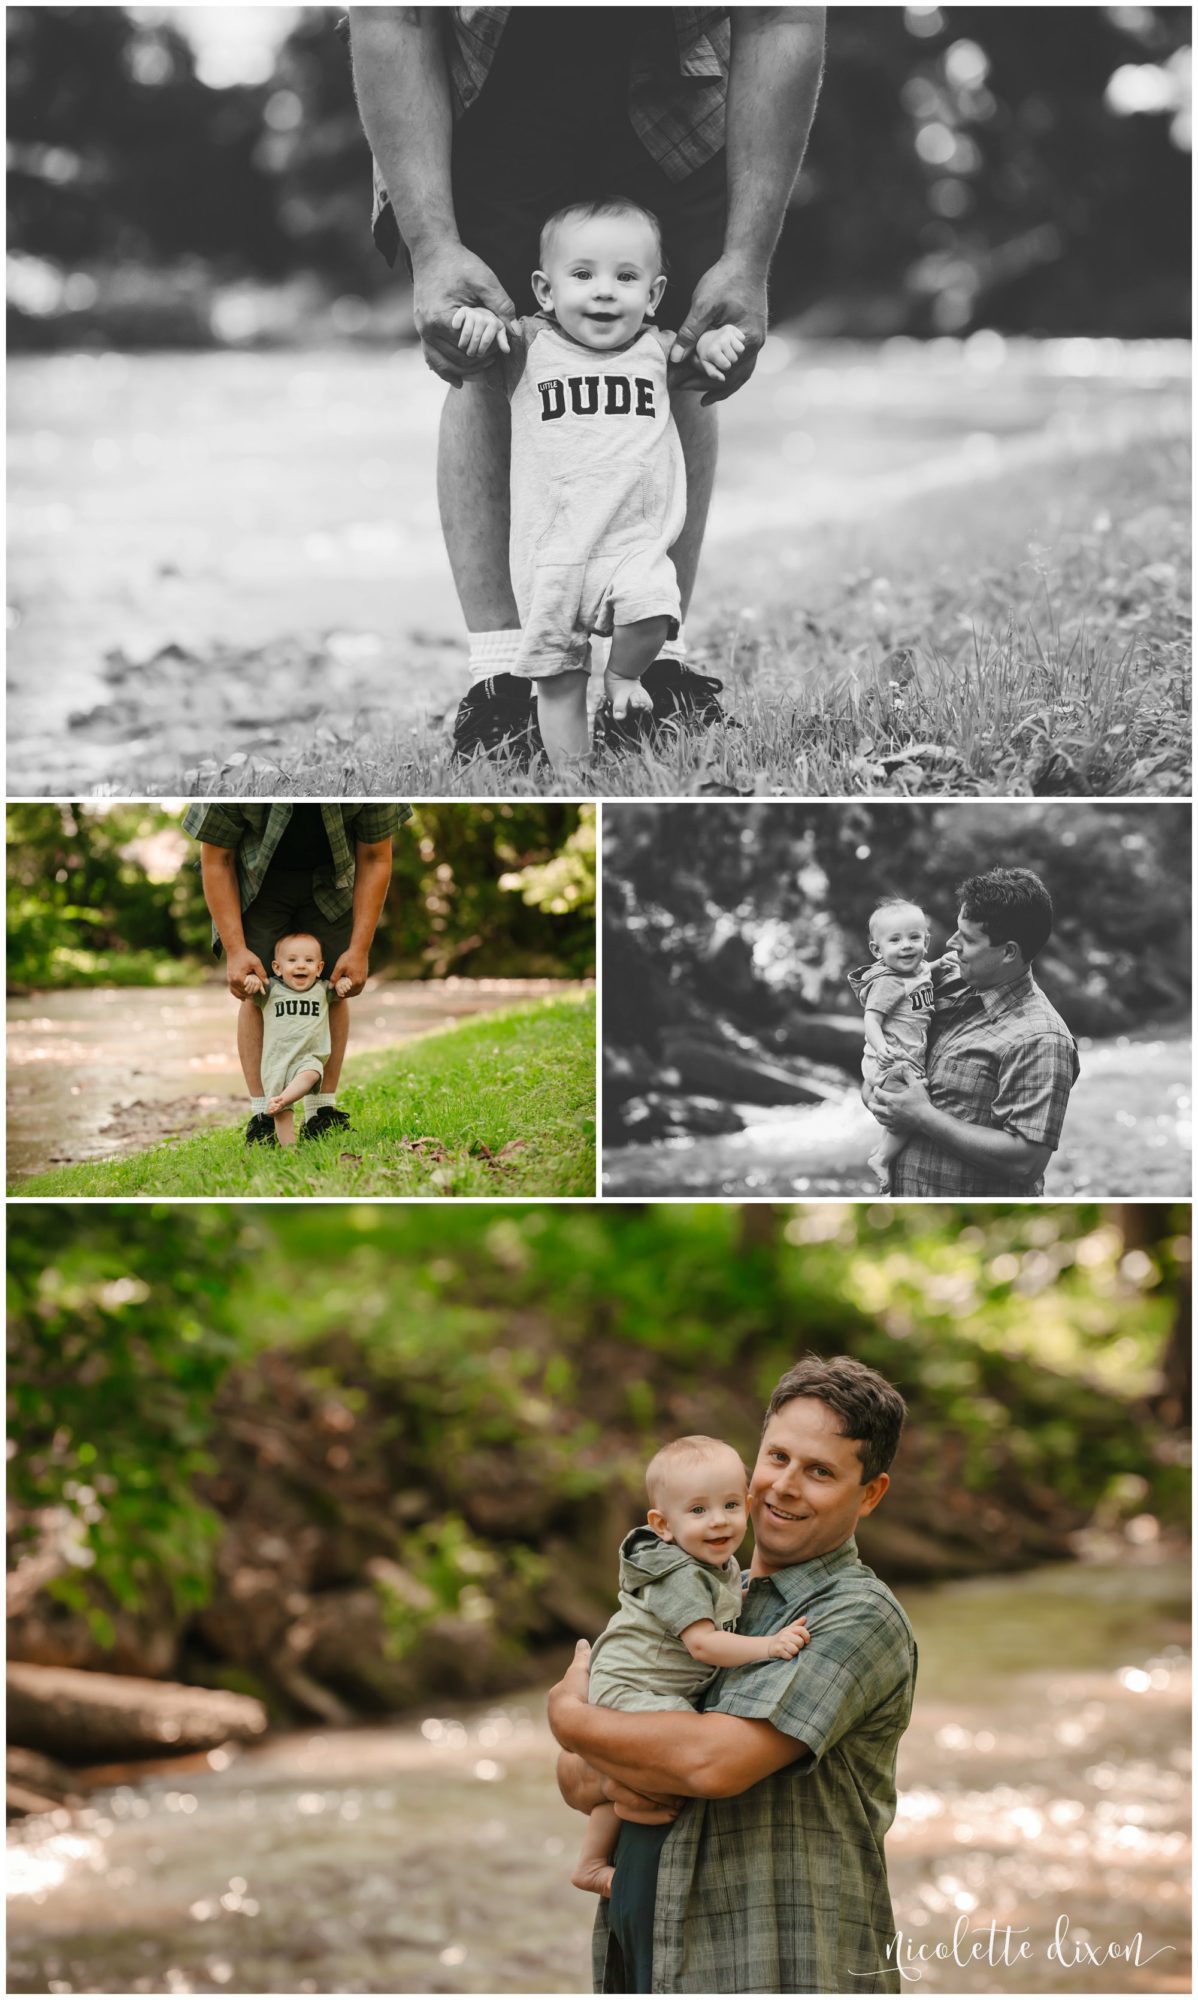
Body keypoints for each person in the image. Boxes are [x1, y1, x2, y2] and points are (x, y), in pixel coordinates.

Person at [346, 6, 827, 761]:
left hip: (680, 82)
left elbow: (781, 15)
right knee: (485, 351)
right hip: (487, 80)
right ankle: (504, 681)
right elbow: (393, 15)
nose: (603, 294)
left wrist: (748, 259)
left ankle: (653, 673)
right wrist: (434, 247)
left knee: (686, 354)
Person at [550, 1354, 915, 1995]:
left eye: (820, 1471)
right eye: (776, 1458)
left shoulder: (855, 1615)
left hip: (778, 1965)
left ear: (870, 1494)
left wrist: (572, 1719)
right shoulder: (704, 1593)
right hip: (652, 1955)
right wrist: (606, 1760)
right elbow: (575, 1781)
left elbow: (708, 1765)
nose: (784, 1487)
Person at [452, 196, 746, 767]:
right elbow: (483, 346)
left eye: (626, 276)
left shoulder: (657, 350)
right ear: (545, 290)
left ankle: (625, 677)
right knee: (558, 678)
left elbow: (703, 361)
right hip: (553, 551)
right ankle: (572, 775)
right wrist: (478, 322)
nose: (604, 290)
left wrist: (715, 344)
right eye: (582, 275)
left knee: (655, 605)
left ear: (655, 295)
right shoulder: (529, 346)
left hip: (631, 543)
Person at [573, 1433, 810, 1899]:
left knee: (650, 1749)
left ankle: (600, 1843)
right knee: (677, 1742)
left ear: (747, 1503)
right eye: (698, 1511)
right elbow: (703, 1645)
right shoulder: (678, 1574)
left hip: (651, 1685)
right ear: (662, 1524)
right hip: (630, 1684)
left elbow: (721, 1600)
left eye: (728, 1506)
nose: (718, 1522)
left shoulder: (713, 1559)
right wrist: (769, 1645)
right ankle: (595, 1856)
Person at [182, 803, 409, 1146]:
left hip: (333, 879)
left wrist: (359, 950)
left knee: (334, 983)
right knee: (255, 988)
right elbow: (217, 858)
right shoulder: (231, 773)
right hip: (259, 880)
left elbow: (376, 857)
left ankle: (321, 1112)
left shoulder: (369, 772)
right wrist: (236, 950)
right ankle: (263, 1115)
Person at [863, 867, 1080, 1197]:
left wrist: (923, 1116)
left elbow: (1026, 1162)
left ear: (1008, 951)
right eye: (957, 930)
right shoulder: (944, 982)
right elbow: (889, 1050)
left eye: (968, 938)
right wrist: (875, 1095)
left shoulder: (1040, 1039)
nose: (951, 943)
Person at [846, 899, 956, 1194]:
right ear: (877, 950)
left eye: (914, 938)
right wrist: (881, 1048)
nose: (906, 946)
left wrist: (938, 964)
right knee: (909, 1111)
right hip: (890, 1057)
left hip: (906, 1057)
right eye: (894, 940)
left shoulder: (917, 969)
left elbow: (922, 976)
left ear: (926, 941)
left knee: (903, 1111)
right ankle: (882, 1157)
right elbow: (871, 1019)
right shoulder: (889, 983)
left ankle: (883, 1151)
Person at [242, 933, 352, 1147]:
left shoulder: (322, 989)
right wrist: (252, 980)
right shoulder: (270, 990)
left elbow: (341, 992)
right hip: (276, 1063)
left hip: (308, 1058)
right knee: (281, 1116)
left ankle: (286, 1099)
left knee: (312, 1073)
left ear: (319, 968)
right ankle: (289, 1151)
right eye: (292, 960)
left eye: (309, 961)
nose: (301, 966)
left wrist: (344, 983)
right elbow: (248, 995)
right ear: (277, 967)